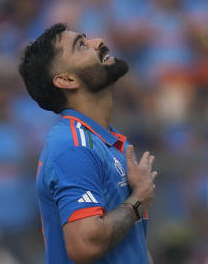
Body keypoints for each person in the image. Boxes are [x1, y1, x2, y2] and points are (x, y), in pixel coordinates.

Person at [18, 23, 157, 264]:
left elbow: (131, 247)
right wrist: (138, 200)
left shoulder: (108, 141)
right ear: (67, 79)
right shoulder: (73, 145)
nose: (98, 42)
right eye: (81, 46)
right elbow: (85, 243)